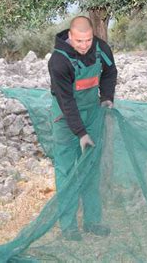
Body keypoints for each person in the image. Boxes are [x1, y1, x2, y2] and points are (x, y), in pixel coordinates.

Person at [48, 16, 117, 241]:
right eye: (79, 41)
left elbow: (110, 72)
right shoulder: (58, 61)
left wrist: (106, 97)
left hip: (92, 113)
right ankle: (68, 226)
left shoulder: (101, 48)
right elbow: (66, 102)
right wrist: (81, 133)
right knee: (67, 171)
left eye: (87, 40)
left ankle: (92, 221)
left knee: (90, 167)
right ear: (70, 36)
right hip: (65, 119)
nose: (84, 45)